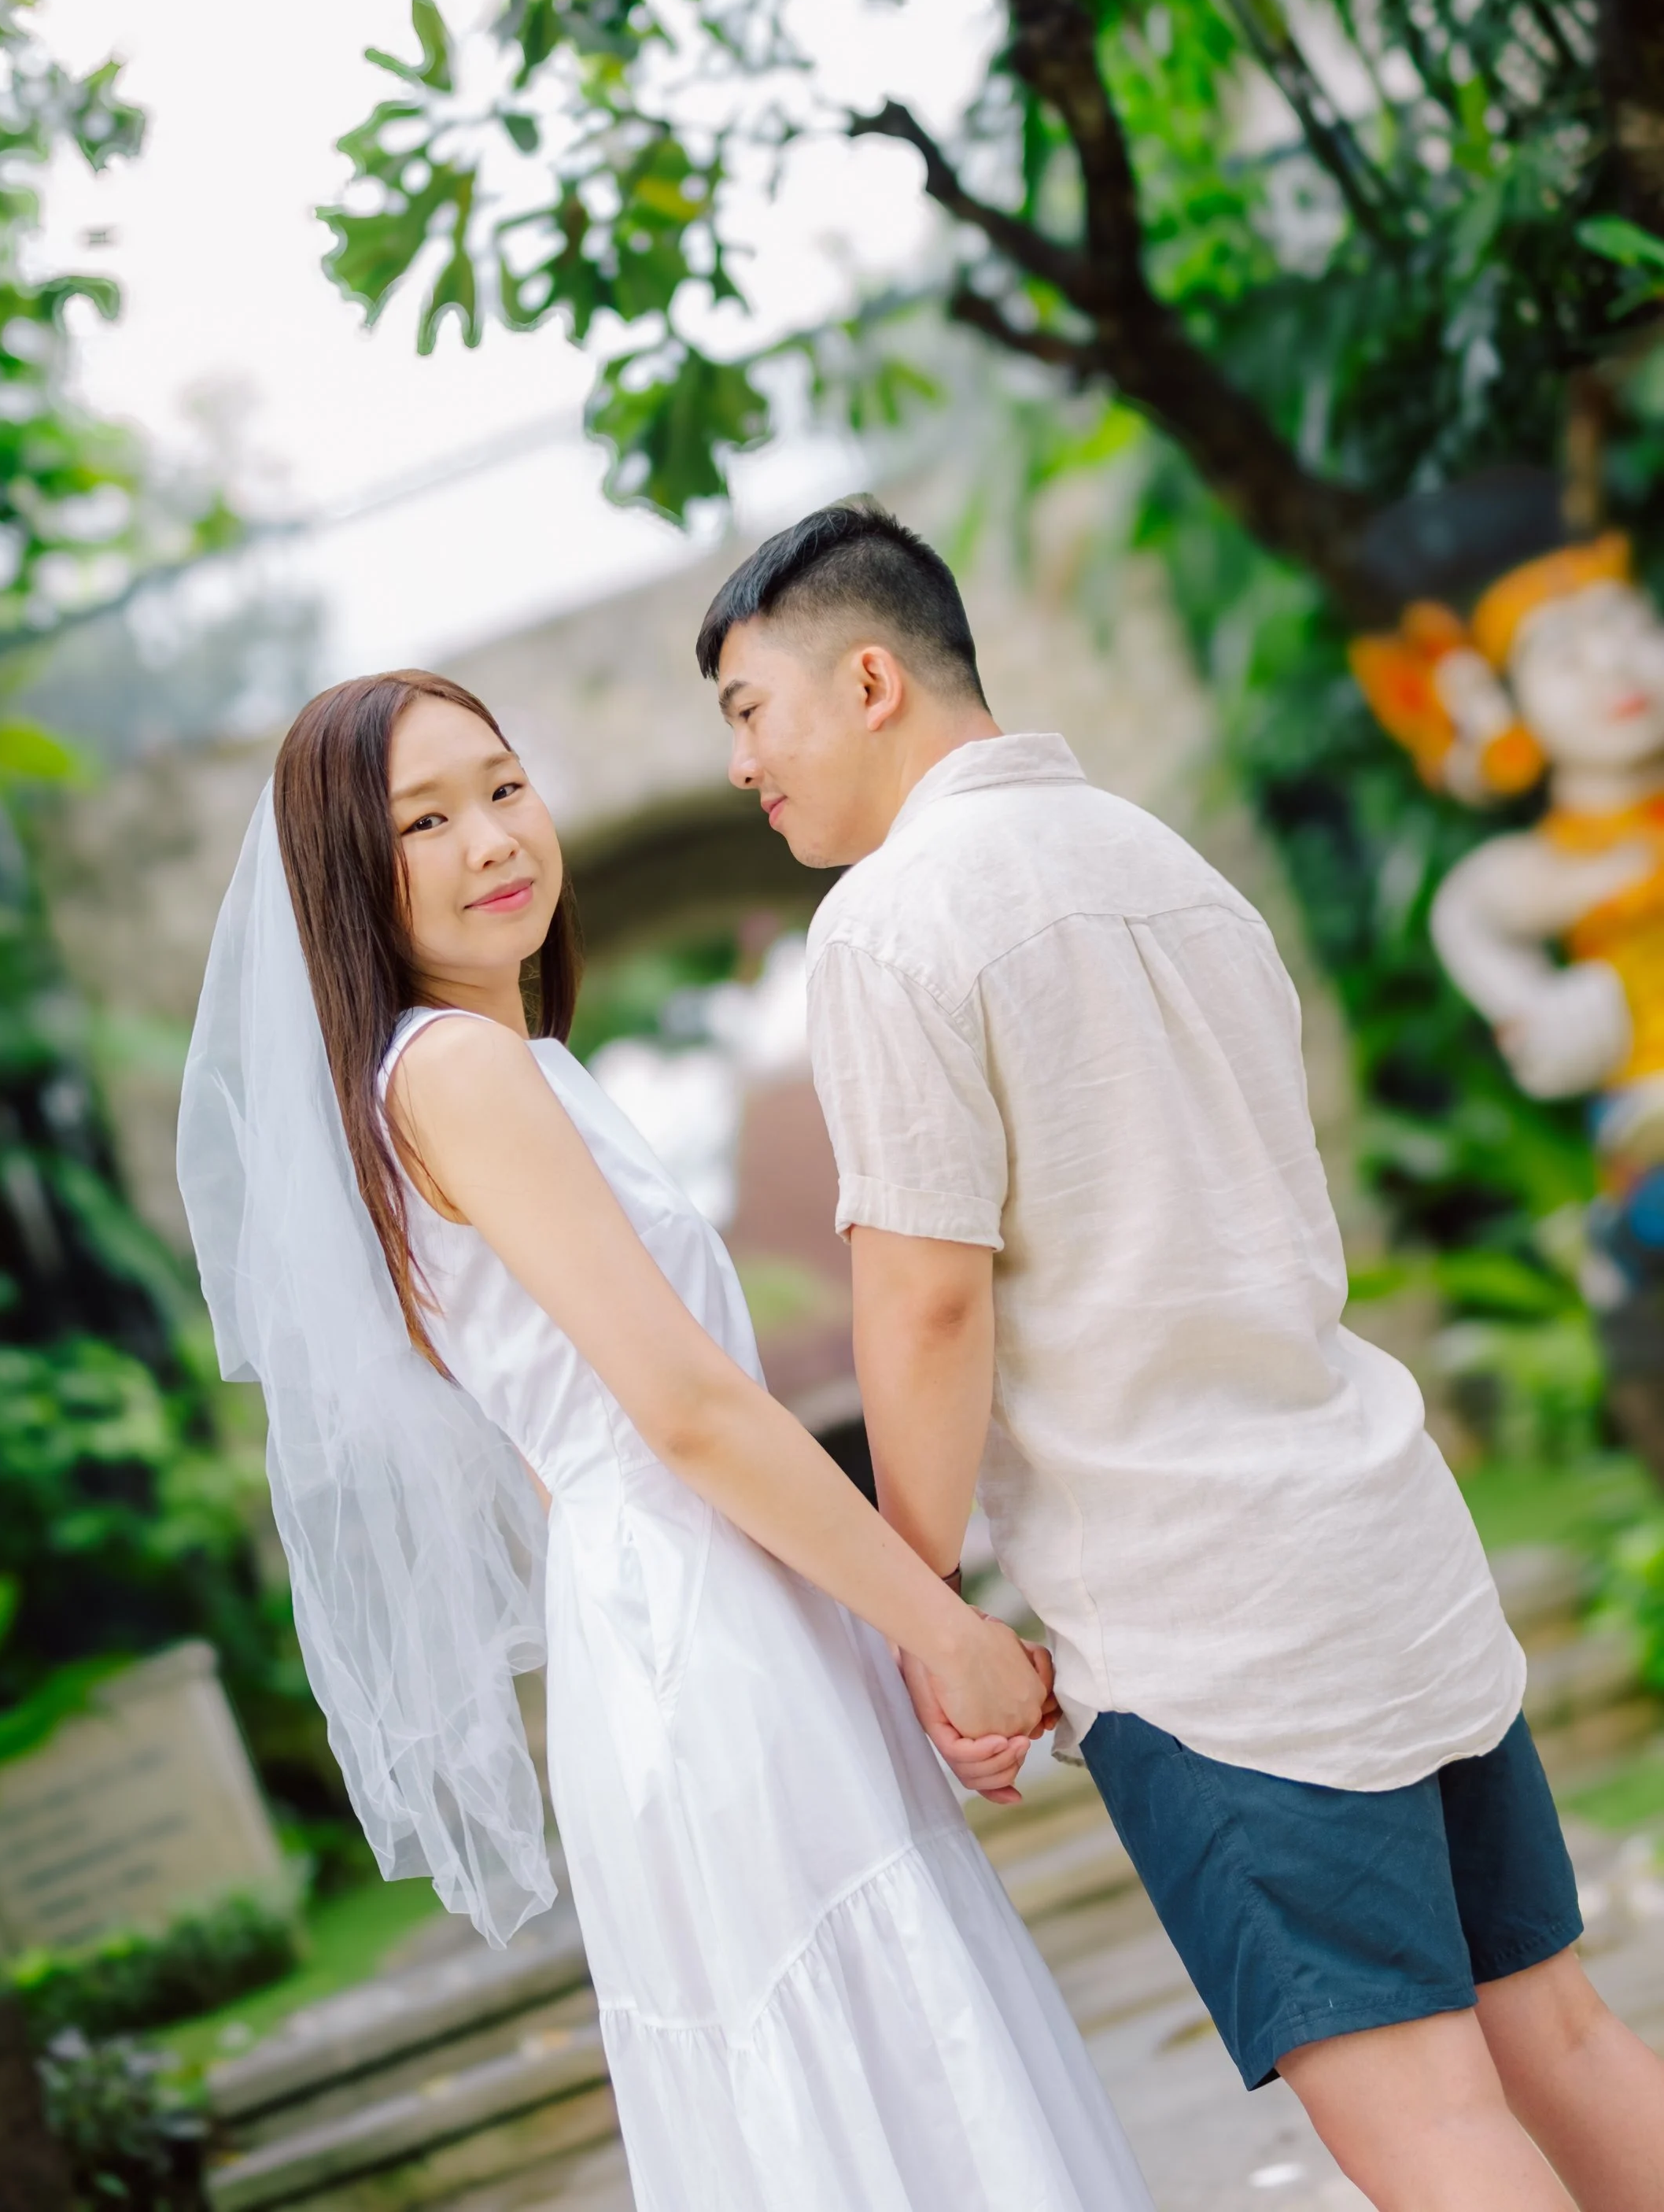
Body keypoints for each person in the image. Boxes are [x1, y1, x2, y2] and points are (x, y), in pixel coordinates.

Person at [695, 497, 1664, 2212]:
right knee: (1557, 2039)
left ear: (865, 681)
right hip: (1378, 1534)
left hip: (1208, 1619)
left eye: (747, 710)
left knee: (1423, 2115)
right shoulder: (1164, 861)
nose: (740, 766)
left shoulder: (890, 919)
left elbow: (922, 1300)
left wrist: (925, 1611)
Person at [176, 668, 1153, 2212]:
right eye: (422, 820)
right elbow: (686, 1408)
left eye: (501, 786)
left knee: (868, 2094)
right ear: (349, 878)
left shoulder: (485, 1071)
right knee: (882, 2081)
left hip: (675, 1613)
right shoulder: (457, 1071)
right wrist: (943, 1631)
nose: (491, 837)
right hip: (698, 1626)